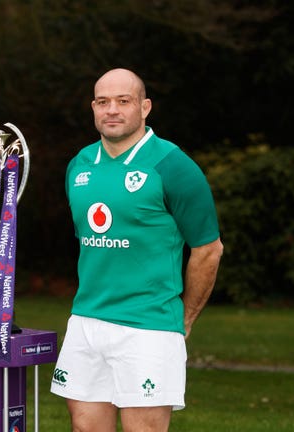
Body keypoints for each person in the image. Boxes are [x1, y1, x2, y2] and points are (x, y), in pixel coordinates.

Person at [50, 68, 223, 432]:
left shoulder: (173, 165)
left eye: (123, 101)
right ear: (93, 108)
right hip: (86, 319)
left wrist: (185, 319)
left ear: (144, 107)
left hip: (149, 325)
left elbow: (208, 249)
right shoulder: (79, 165)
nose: (112, 110)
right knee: (84, 427)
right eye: (103, 102)